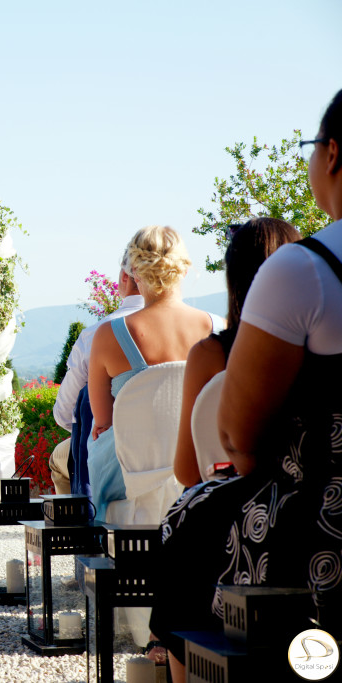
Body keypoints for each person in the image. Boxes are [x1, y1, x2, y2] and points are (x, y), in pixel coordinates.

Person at [151, 89, 342, 683]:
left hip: (322, 522)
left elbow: (237, 434)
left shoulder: (306, 270)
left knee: (191, 530)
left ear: (332, 154)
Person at [86, 226, 222, 524]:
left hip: (132, 483)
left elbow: (104, 424)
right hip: (205, 475)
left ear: (134, 271)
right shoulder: (219, 330)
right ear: (184, 269)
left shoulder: (108, 336)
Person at [171, 219, 299, 488]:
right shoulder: (321, 348)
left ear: (233, 279)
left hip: (237, 515)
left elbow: (187, 471)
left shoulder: (209, 355)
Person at [51, 245, 144, 497]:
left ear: (125, 276)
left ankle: (77, 528)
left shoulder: (98, 334)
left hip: (114, 462)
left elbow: (64, 413)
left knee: (59, 460)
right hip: (180, 457)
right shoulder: (208, 328)